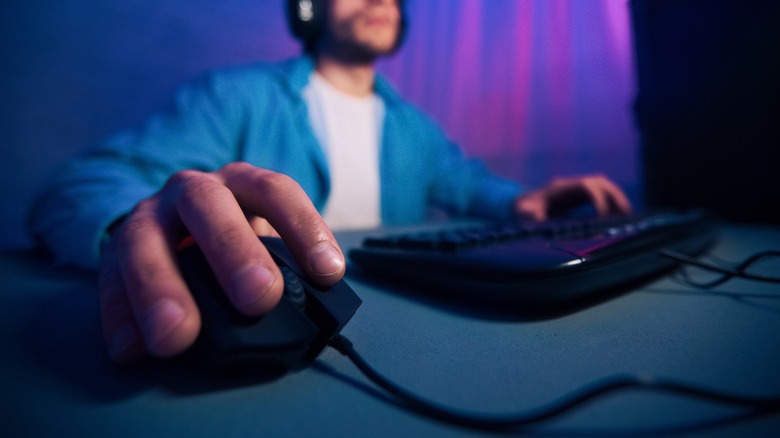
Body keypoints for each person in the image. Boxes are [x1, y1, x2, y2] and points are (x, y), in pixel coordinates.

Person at [29, 0, 632, 363]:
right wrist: (134, 228)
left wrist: (525, 203)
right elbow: (78, 187)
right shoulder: (236, 96)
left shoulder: (414, 127)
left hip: (409, 333)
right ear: (308, 8)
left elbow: (466, 183)